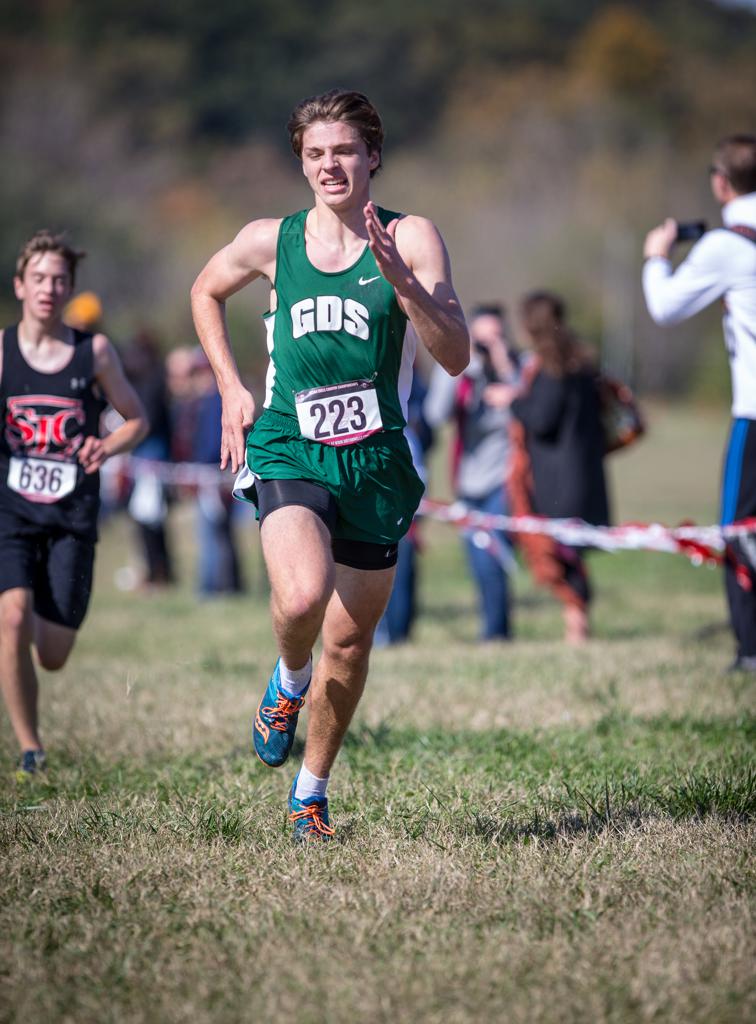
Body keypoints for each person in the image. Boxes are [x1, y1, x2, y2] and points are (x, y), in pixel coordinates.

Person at [191, 88, 468, 841]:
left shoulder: (412, 237)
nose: (329, 166)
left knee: (348, 643)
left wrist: (406, 285)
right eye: (315, 154)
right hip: (289, 440)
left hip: (377, 460)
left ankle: (310, 794)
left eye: (343, 150)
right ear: (302, 163)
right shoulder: (269, 240)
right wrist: (229, 388)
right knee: (303, 596)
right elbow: (205, 291)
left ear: (373, 155)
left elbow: (455, 354)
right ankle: (287, 679)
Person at [0, 230, 147, 778]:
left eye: (59, 279)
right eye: (38, 277)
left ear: (70, 289)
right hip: (12, 512)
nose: (48, 287)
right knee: (11, 618)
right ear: (20, 286)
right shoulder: (1, 351)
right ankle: (30, 747)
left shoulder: (94, 351)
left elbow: (138, 420)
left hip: (71, 516)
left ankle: (42, 606)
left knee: (53, 655)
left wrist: (105, 445)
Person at [643, 134, 756, 671]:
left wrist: (656, 258)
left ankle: (751, 649)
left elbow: (664, 307)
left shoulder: (726, 245)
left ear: (720, 181)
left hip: (753, 415)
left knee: (738, 531)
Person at [509, 291, 609, 644]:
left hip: (558, 480)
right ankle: (576, 621)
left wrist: (513, 402)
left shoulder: (552, 369)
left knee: (561, 553)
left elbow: (541, 419)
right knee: (569, 551)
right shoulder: (580, 362)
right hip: (582, 471)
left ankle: (576, 623)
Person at [424, 304, 519, 641]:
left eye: (495, 337)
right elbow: (435, 415)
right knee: (478, 562)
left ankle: (495, 634)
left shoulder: (518, 370)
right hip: (467, 482)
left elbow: (526, 413)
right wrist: (458, 367)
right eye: (481, 340)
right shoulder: (466, 376)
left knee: (491, 558)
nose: (487, 346)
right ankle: (497, 629)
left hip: (503, 480)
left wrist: (504, 365)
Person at [122, 329, 176, 588]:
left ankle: (161, 573)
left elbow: (151, 421)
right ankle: (153, 571)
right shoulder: (140, 382)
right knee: (144, 519)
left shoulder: (155, 382)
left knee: (153, 519)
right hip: (141, 456)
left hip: (153, 458)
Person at [190, 348, 245, 597]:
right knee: (220, 533)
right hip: (214, 474)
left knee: (214, 533)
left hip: (216, 475)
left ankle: (213, 588)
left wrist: (208, 465)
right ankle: (229, 585)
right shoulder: (205, 401)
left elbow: (213, 443)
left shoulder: (216, 401)